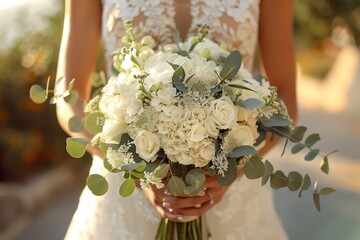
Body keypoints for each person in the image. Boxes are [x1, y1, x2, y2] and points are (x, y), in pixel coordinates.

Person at [56, 0, 297, 239]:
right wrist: (137, 171)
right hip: (126, 191)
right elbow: (68, 97)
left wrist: (237, 168)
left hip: (232, 195)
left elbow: (286, 99)